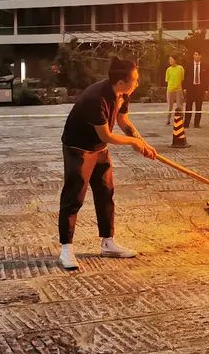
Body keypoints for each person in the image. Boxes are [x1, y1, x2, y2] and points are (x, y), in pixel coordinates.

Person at [57, 58, 157, 271]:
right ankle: (66, 248)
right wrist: (133, 142)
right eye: (135, 80)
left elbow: (124, 121)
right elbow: (107, 134)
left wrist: (144, 143)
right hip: (79, 148)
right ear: (121, 81)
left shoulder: (123, 93)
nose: (138, 84)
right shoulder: (96, 98)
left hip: (100, 148)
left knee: (105, 193)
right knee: (74, 197)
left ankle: (108, 242)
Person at [183, 50, 206, 128]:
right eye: (195, 54)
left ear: (200, 56)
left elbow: (206, 78)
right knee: (188, 106)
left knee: (198, 106)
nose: (196, 56)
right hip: (190, 88)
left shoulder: (204, 65)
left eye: (198, 55)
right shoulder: (189, 65)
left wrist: (205, 89)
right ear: (193, 56)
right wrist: (185, 87)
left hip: (199, 88)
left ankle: (197, 123)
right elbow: (185, 77)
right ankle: (186, 123)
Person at [164, 54, 185, 126]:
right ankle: (168, 119)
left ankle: (180, 119)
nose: (170, 61)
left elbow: (182, 78)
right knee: (170, 106)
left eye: (172, 59)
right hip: (170, 90)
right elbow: (167, 80)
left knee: (179, 106)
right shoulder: (168, 69)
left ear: (175, 60)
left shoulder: (180, 68)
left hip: (178, 90)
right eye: (169, 59)